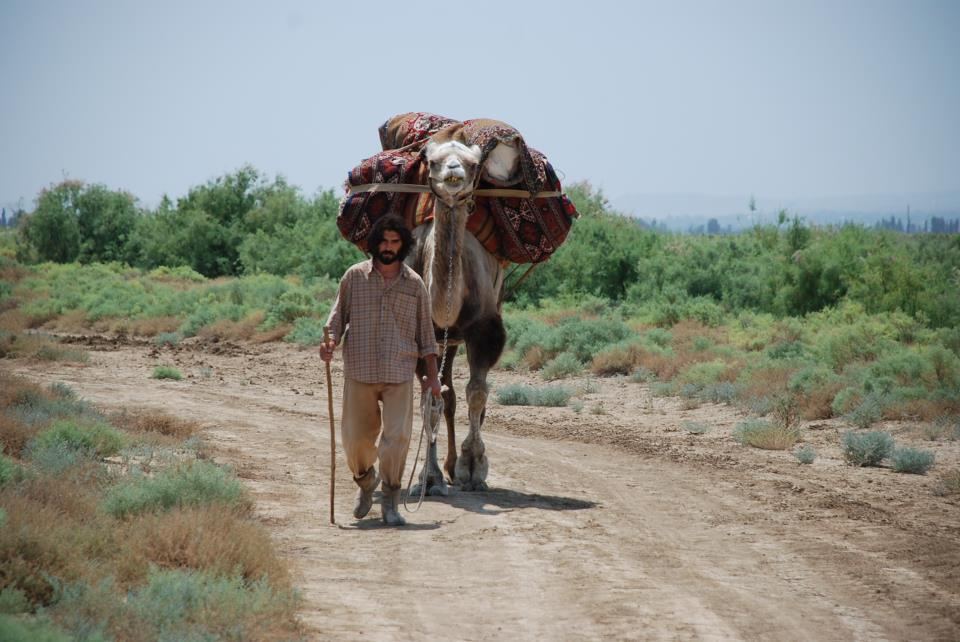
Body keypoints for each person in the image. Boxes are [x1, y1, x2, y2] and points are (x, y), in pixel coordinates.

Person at [320, 214, 441, 526]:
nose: (388, 247)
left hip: (399, 371)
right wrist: (330, 342)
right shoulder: (354, 277)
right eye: (384, 241)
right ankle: (364, 481)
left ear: (403, 245)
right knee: (355, 440)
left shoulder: (415, 286)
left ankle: (390, 501)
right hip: (360, 369)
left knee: (397, 438)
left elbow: (427, 337)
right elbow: (336, 317)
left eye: (395, 242)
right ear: (375, 243)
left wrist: (432, 378)